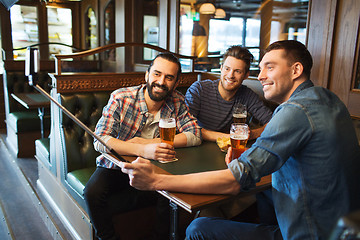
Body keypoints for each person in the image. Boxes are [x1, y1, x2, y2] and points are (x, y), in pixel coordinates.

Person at [120, 40, 360, 240]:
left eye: (270, 67)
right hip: (341, 228)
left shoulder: (295, 110)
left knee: (197, 229)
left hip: (311, 233)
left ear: (296, 70)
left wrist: (156, 181)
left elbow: (235, 181)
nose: (261, 75)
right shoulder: (329, 100)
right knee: (264, 194)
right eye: (260, 68)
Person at [83, 52, 202, 240]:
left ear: (176, 82)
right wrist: (141, 149)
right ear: (147, 75)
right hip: (118, 165)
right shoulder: (121, 97)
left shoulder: (177, 100)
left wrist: (151, 143)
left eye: (169, 77)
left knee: (170, 192)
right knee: (92, 192)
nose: (161, 81)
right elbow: (100, 139)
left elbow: (195, 134)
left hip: (157, 167)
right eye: (157, 74)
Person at [185, 45, 273, 141]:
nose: (231, 75)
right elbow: (187, 127)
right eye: (227, 69)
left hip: (229, 150)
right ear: (221, 68)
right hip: (199, 146)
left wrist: (252, 134)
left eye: (237, 71)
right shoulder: (198, 90)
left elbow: (273, 123)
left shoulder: (248, 95)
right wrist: (228, 137)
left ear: (246, 75)